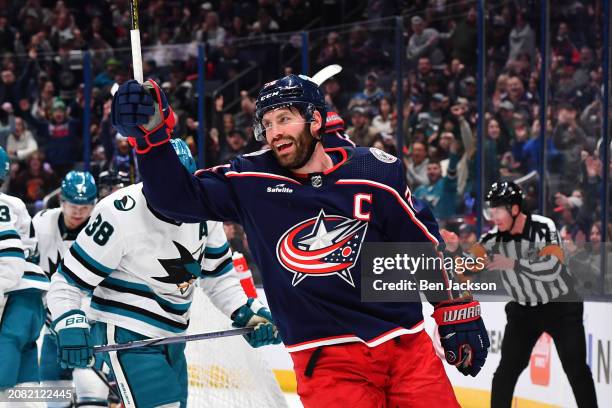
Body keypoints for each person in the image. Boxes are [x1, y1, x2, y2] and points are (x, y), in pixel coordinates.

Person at [110, 75, 490, 407]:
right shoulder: (250, 180)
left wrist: (454, 309)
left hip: (406, 349)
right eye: (268, 123)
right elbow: (174, 198)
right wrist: (153, 139)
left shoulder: (375, 171)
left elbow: (421, 246)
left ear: (316, 121)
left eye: (285, 119)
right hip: (326, 361)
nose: (275, 131)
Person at [46, 139, 280, 408]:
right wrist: (68, 320)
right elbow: (68, 281)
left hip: (174, 336)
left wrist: (243, 310)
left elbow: (217, 275)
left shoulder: (205, 208)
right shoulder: (117, 213)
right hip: (127, 332)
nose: (175, 195)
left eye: (182, 185)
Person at [456, 182, 597, 408]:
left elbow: (553, 266)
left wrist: (513, 263)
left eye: (498, 209)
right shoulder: (492, 240)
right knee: (505, 374)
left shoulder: (543, 227)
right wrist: (455, 253)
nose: (494, 216)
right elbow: (466, 270)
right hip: (523, 311)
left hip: (561, 307)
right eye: (492, 209)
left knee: (576, 370)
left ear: (514, 209)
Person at [34, 170, 109, 408]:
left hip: (91, 329)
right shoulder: (41, 224)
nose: (78, 212)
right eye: (73, 205)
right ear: (61, 201)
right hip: (52, 329)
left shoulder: (106, 229)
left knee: (92, 392)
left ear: (94, 204)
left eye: (85, 206)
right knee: (53, 396)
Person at [0, 146, 48, 404]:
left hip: (10, 296)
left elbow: (9, 257)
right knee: (23, 384)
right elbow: (30, 249)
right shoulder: (16, 204)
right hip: (31, 297)